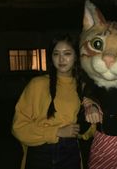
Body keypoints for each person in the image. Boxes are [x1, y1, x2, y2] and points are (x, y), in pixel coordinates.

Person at [12, 33, 94, 169]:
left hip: (70, 153)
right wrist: (56, 132)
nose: (61, 59)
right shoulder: (37, 84)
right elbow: (18, 127)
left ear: (76, 57)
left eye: (67, 53)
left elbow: (89, 130)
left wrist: (88, 121)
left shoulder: (82, 87)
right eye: (56, 54)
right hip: (41, 153)